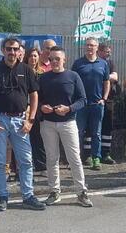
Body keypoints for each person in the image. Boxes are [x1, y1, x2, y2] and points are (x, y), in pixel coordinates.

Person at [0, 37, 46, 212]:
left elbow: (34, 96)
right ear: (3, 50)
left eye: (15, 49)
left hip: (20, 121)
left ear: (19, 51)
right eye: (9, 49)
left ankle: (28, 196)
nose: (12, 52)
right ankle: (2, 197)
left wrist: (30, 120)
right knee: (0, 161)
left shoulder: (26, 70)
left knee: (25, 160)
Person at [38, 46, 92, 207]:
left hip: (68, 122)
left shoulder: (73, 76)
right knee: (52, 158)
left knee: (74, 158)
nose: (54, 61)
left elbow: (83, 99)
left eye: (57, 59)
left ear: (64, 59)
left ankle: (81, 192)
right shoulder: (43, 78)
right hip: (48, 123)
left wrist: (68, 109)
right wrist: (42, 107)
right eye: (51, 58)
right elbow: (36, 99)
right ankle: (54, 192)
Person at [72, 37, 110, 171]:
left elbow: (106, 82)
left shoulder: (103, 63)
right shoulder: (78, 63)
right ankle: (76, 159)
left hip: (97, 104)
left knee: (96, 133)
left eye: (92, 45)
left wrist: (104, 99)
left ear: (97, 47)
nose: (89, 48)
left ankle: (96, 158)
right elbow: (73, 83)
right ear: (84, 47)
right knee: (78, 133)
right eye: (87, 45)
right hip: (81, 104)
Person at [24, 46, 48, 172]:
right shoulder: (22, 72)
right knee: (25, 138)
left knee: (39, 137)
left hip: (38, 110)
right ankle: (27, 164)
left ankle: (41, 164)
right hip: (24, 108)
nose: (33, 58)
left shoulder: (42, 74)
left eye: (35, 56)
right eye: (31, 56)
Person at [97, 42, 119, 164]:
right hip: (95, 98)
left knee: (107, 126)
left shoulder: (110, 63)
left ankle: (106, 153)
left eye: (109, 51)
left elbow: (115, 77)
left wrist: (102, 76)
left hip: (109, 100)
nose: (109, 53)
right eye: (106, 51)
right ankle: (92, 155)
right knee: (93, 128)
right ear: (99, 51)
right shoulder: (95, 62)